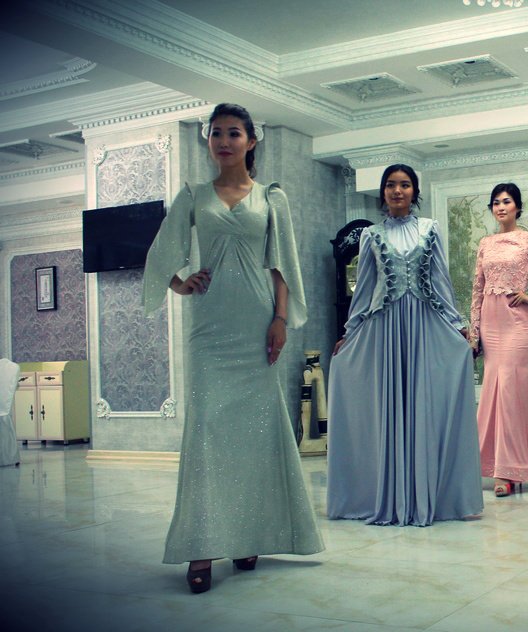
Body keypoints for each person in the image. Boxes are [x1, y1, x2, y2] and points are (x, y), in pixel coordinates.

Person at [143, 103, 324, 594]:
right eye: (216, 133)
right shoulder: (193, 196)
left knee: (256, 435)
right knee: (206, 431)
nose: (224, 141)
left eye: (234, 133)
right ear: (208, 141)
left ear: (251, 141)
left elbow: (282, 266)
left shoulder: (271, 198)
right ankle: (202, 546)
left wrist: (280, 319)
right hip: (210, 327)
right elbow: (161, 253)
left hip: (256, 323)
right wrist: (180, 283)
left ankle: (250, 534)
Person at [327, 164, 483, 526]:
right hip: (385, 329)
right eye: (391, 185)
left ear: (415, 191)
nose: (398, 191)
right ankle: (386, 494)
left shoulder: (430, 228)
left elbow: (440, 281)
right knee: (388, 405)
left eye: (405, 185)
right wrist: (350, 332)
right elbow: (364, 289)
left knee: (423, 403)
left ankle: (429, 494)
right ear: (383, 192)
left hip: (424, 326)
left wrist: (458, 325)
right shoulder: (371, 235)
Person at [470, 183, 528, 498]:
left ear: (518, 206)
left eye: (506, 201)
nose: (500, 207)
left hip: (517, 321)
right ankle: (498, 465)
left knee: (510, 389)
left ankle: (509, 469)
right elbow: (478, 288)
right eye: (495, 203)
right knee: (494, 388)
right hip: (491, 322)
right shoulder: (485, 243)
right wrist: (474, 331)